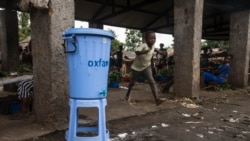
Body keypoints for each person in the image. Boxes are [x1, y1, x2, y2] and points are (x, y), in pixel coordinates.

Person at [124, 31, 164, 106]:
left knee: (152, 81)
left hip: (146, 67)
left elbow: (153, 51)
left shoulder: (153, 46)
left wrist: (160, 52)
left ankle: (157, 100)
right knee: (132, 82)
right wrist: (143, 52)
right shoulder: (144, 45)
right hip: (136, 68)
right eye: (150, 38)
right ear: (146, 39)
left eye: (154, 38)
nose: (153, 40)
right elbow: (137, 51)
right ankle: (128, 93)